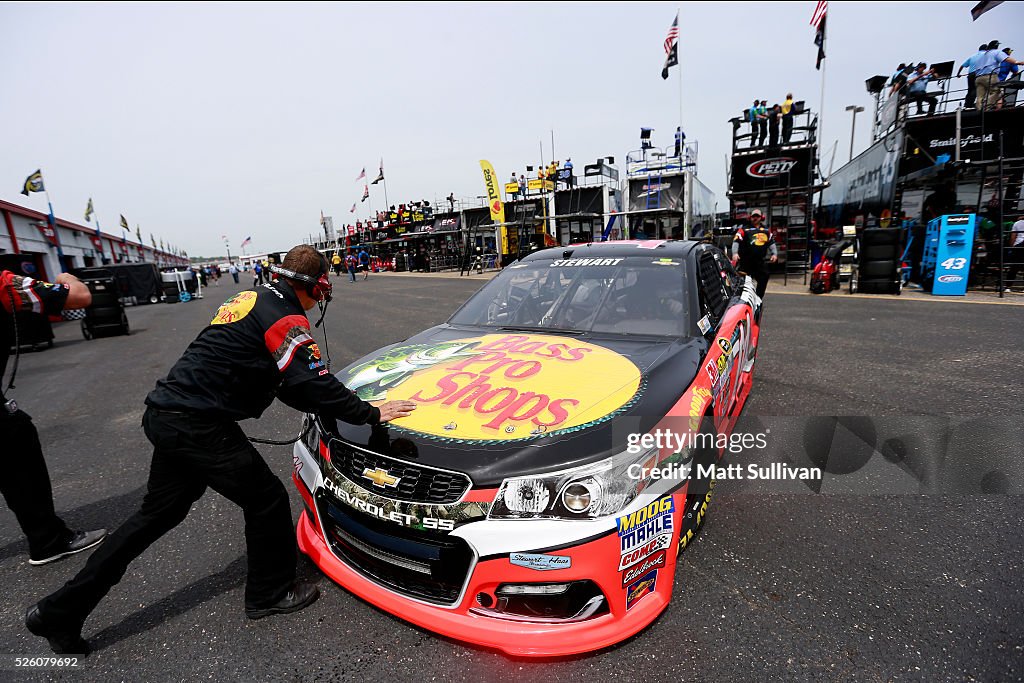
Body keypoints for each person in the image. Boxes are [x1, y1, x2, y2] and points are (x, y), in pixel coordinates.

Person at [25, 245, 417, 656]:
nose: (320, 300)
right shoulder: (285, 316)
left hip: (168, 413)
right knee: (265, 499)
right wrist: (370, 413)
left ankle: (59, 611)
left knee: (155, 516)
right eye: (320, 292)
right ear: (313, 287)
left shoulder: (251, 298)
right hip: (197, 425)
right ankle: (268, 593)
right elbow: (309, 383)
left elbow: (286, 381)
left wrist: (327, 404)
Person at [1, 270, 107, 568]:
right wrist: (67, 277)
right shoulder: (5, 284)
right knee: (17, 447)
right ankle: (48, 540)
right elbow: (80, 297)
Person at [731, 209, 778, 300]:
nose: (755, 218)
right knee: (743, 282)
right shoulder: (744, 229)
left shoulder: (766, 231)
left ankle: (758, 298)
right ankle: (742, 300)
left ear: (761, 218)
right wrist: (735, 253)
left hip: (760, 262)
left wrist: (774, 254)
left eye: (757, 216)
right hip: (746, 262)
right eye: (753, 216)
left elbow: (771, 243)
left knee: (764, 276)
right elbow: (736, 241)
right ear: (750, 217)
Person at [976, 40, 1024, 111]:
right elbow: (1008, 60)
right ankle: (986, 108)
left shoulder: (983, 55)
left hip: (978, 77)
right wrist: (1018, 62)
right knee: (997, 91)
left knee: (980, 95)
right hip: (990, 76)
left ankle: (979, 110)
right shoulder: (997, 52)